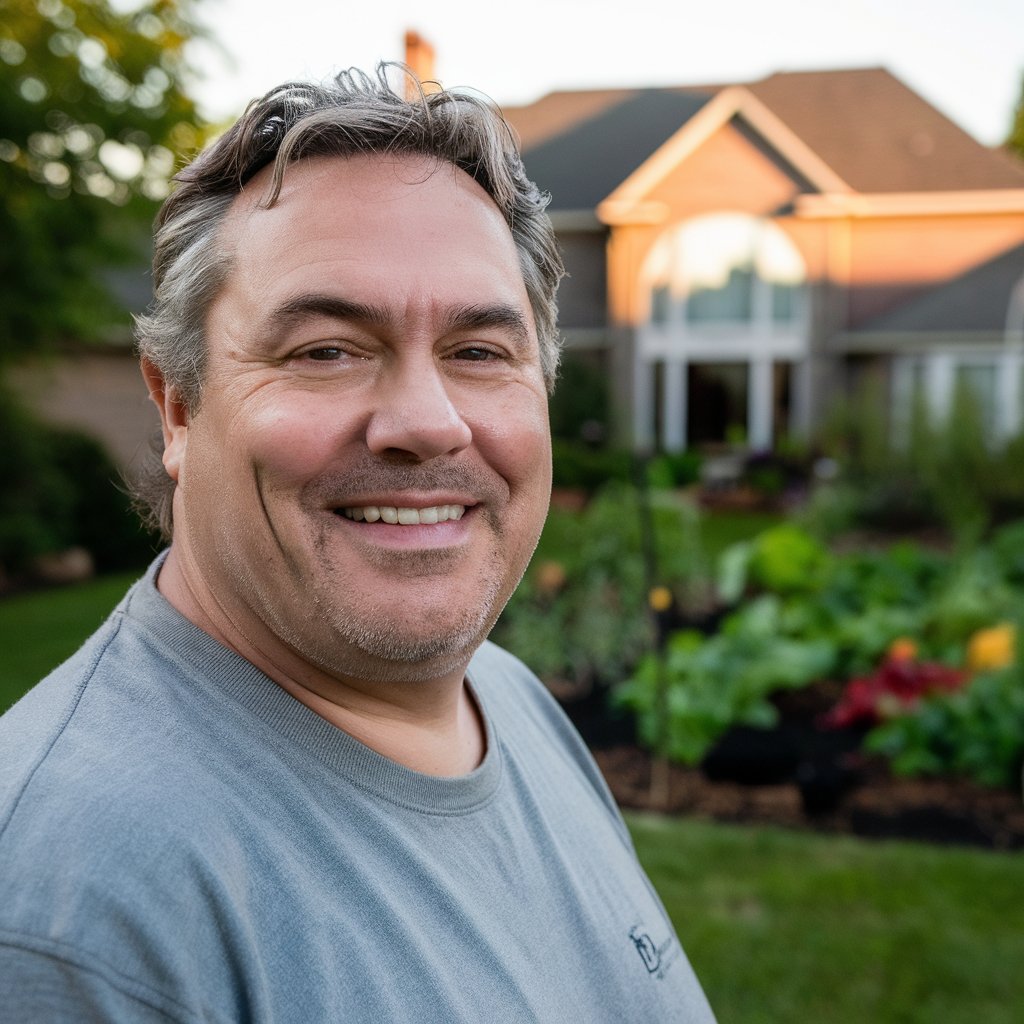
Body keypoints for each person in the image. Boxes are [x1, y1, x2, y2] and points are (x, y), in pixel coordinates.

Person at [0, 66, 716, 1022]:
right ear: (177, 405)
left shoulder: (506, 700)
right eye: (326, 350)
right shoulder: (73, 913)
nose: (426, 423)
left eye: (478, 352)